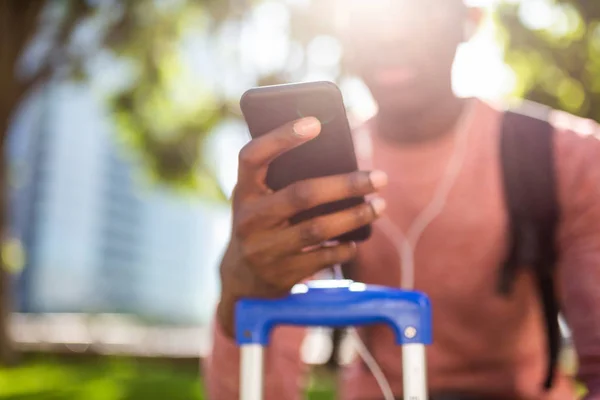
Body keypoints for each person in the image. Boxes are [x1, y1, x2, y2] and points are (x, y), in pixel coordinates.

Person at [204, 0, 600, 399]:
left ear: (468, 21)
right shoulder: (311, 173)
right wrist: (240, 295)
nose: (391, 34)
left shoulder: (566, 158)